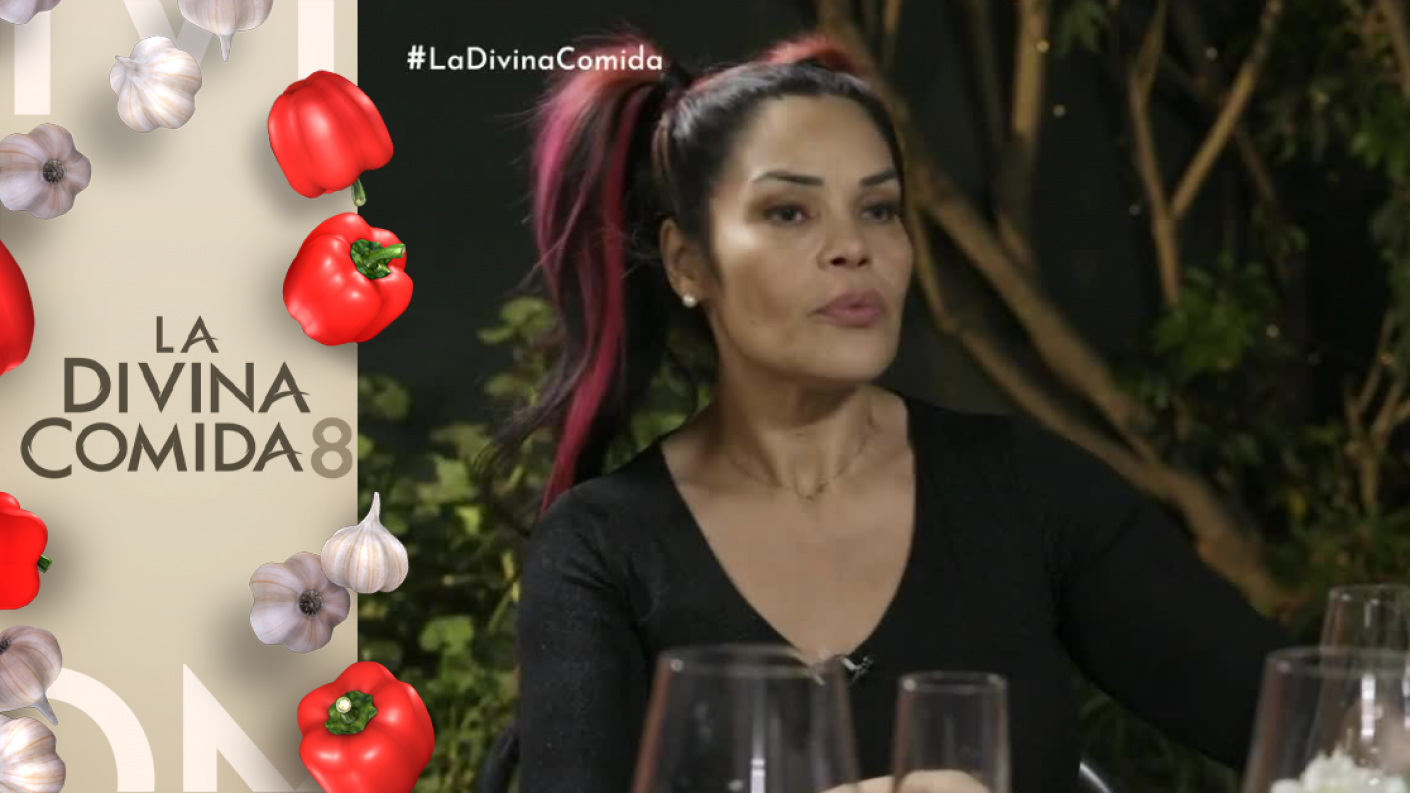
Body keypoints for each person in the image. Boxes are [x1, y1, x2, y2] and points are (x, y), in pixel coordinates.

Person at [478, 30, 1296, 793]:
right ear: (688, 260)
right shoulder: (602, 548)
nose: (854, 247)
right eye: (789, 211)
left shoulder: (1026, 488)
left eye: (878, 208)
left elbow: (1307, 727)